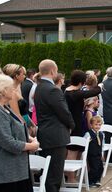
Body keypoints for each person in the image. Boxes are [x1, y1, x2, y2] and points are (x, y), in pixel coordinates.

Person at [35, 59, 75, 192]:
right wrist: (71, 125)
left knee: (49, 172)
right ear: (53, 71)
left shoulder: (39, 87)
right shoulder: (52, 90)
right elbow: (63, 112)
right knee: (54, 174)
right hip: (56, 136)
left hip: (45, 133)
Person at [0, 74, 39, 192]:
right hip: (6, 172)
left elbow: (15, 130)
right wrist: (31, 146)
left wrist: (29, 138)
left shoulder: (5, 108)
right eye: (11, 88)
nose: (14, 90)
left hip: (16, 169)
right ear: (3, 91)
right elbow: (7, 142)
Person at [64, 70, 101, 182]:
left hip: (76, 122)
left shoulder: (68, 91)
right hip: (74, 124)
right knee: (72, 150)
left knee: (78, 150)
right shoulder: (75, 93)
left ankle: (73, 175)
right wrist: (97, 83)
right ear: (81, 82)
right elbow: (95, 91)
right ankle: (70, 177)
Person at [84, 115, 104, 188]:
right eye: (96, 124)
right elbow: (84, 143)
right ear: (91, 125)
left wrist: (102, 154)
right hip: (91, 155)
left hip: (98, 154)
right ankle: (90, 181)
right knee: (93, 168)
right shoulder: (88, 134)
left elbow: (102, 145)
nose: (97, 126)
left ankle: (97, 180)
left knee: (100, 167)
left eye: (99, 125)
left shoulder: (101, 134)